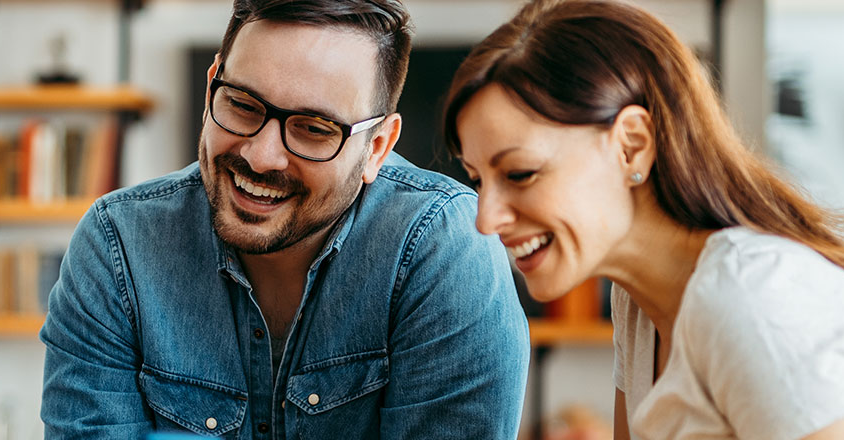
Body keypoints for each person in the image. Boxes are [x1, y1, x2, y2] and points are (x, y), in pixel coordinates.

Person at [443, 0, 844, 439]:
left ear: (632, 145)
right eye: (477, 180)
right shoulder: (641, 304)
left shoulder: (751, 297)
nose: (486, 220)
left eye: (520, 173)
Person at [39, 0, 530, 438]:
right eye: (242, 104)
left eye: (314, 129)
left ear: (376, 147)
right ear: (213, 86)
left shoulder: (443, 245)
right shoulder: (117, 244)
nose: (260, 154)